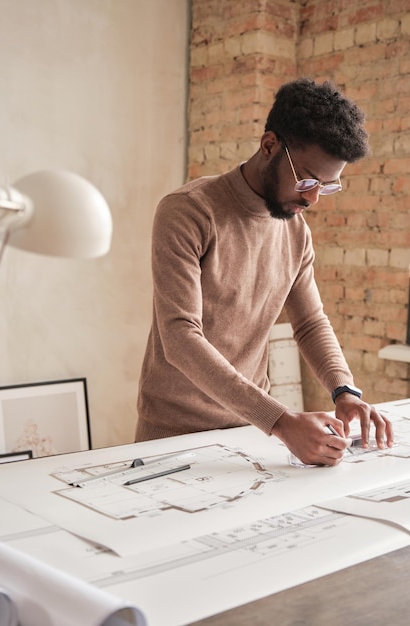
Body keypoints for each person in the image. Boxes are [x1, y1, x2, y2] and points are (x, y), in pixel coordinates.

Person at [136, 77, 393, 466]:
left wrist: (345, 390)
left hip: (250, 431)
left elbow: (309, 322)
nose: (312, 198)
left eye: (327, 186)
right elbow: (180, 336)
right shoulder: (187, 211)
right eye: (307, 179)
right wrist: (282, 421)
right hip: (172, 435)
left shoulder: (295, 231)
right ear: (269, 145)